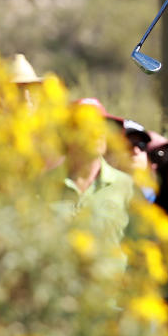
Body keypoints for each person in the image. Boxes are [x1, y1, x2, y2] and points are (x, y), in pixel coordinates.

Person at [51, 98, 137, 265]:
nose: (98, 133)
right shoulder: (42, 186)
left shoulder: (127, 186)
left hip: (110, 289)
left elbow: (140, 248)